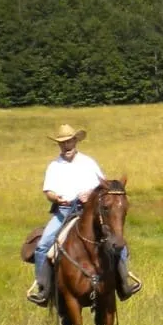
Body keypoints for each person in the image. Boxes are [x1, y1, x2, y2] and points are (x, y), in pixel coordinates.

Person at [28, 124, 142, 306]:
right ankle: (43, 289)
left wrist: (90, 194)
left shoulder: (88, 162)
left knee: (118, 242)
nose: (66, 146)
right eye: (62, 143)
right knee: (42, 246)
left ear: (75, 141)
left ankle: (124, 284)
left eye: (69, 141)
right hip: (63, 211)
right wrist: (55, 198)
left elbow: (104, 186)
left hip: (88, 210)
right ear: (59, 145)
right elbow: (48, 191)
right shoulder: (54, 166)